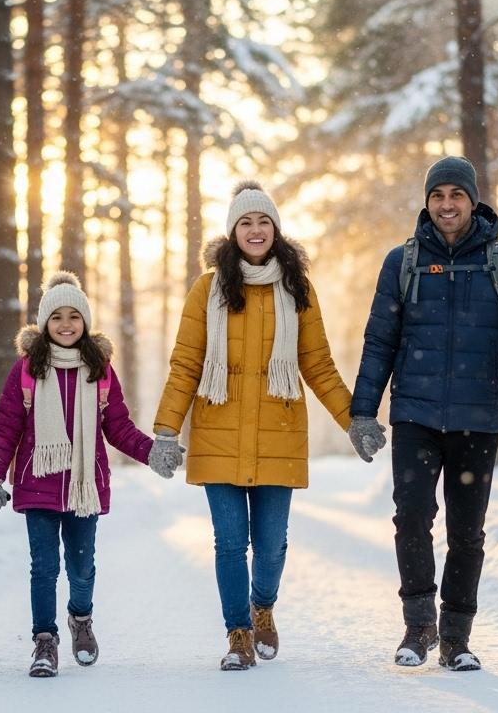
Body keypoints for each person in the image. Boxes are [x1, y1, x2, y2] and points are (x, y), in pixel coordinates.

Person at [350, 156, 498, 671]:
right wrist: (363, 411)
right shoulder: (403, 262)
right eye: (437, 195)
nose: (446, 205)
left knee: (467, 532)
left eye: (456, 195)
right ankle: (419, 627)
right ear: (427, 202)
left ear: (472, 201)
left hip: (476, 420)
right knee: (412, 518)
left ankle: (456, 638)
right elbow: (379, 341)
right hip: (414, 417)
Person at [152, 180, 357, 671]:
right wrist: (165, 431)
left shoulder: (297, 288)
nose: (255, 229)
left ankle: (262, 605)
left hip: (278, 431)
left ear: (276, 229)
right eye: (245, 222)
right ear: (233, 231)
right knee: (229, 543)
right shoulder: (207, 289)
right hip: (217, 431)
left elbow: (317, 364)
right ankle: (238, 633)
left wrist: (354, 420)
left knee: (270, 545)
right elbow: (186, 364)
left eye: (264, 221)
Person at [0, 272, 177, 678]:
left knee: (82, 568)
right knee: (44, 567)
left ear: (85, 321)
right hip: (37, 483)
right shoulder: (27, 370)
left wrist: (150, 452)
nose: (65, 324)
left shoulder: (99, 370)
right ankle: (44, 641)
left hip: (85, 487)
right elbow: (6, 427)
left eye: (73, 316)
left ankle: (80, 619)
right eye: (56, 317)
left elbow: (118, 427)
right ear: (44, 323)